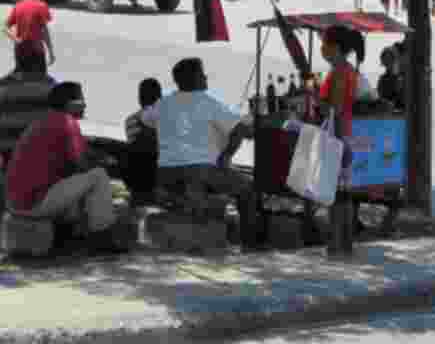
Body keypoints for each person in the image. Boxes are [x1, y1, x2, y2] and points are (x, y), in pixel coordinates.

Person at [141, 58, 263, 249]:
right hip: (201, 172)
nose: (206, 77)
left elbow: (145, 119)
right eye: (202, 73)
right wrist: (226, 155)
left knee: (211, 179)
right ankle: (251, 245)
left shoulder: (163, 103)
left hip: (165, 174)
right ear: (194, 78)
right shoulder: (209, 102)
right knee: (248, 189)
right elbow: (239, 130)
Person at [4, 81, 126, 253]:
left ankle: (65, 238)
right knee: (98, 176)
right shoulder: (67, 121)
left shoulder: (40, 122)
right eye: (82, 101)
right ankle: (102, 238)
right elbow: (81, 165)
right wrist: (105, 163)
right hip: (35, 203)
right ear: (71, 103)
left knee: (75, 182)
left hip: (16, 203)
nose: (85, 105)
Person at [122, 78, 162, 204]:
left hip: (137, 178)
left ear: (139, 98)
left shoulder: (130, 120)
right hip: (158, 174)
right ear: (160, 97)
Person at [5, 0, 55, 76]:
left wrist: (16, 39)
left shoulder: (18, 6)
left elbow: (5, 27)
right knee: (39, 80)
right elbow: (44, 31)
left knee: (22, 78)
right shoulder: (42, 6)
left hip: (20, 50)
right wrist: (51, 51)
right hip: (36, 50)